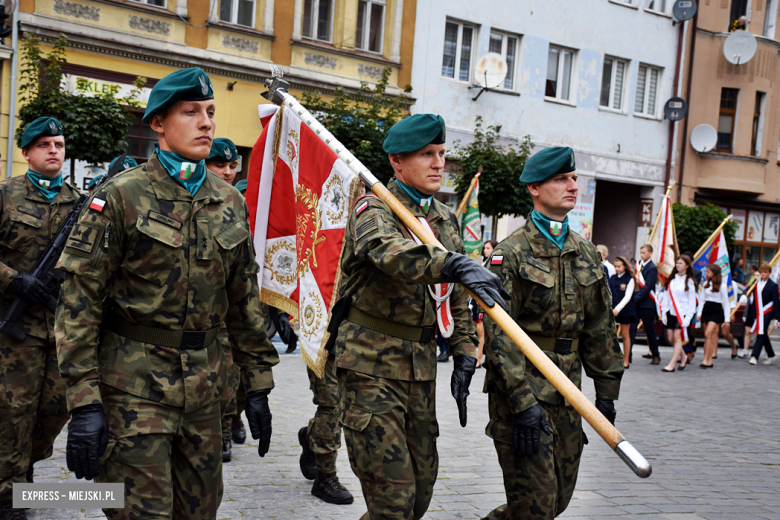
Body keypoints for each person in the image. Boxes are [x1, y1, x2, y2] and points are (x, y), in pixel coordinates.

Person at [54, 68, 280, 519]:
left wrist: (257, 382)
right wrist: (84, 402)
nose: (206, 123)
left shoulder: (229, 201)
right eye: (190, 112)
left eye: (210, 112)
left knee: (201, 511)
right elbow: (79, 303)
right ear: (158, 123)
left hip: (206, 393)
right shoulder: (120, 197)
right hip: (134, 392)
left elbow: (243, 301)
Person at [334, 113, 508, 520]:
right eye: (426, 154)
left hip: (420, 370)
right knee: (393, 501)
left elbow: (455, 297)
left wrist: (465, 351)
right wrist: (453, 264)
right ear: (397, 161)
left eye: (442, 154)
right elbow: (392, 254)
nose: (438, 163)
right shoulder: (374, 209)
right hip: (370, 368)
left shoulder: (444, 220)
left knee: (421, 494)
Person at [482, 146, 623, 520]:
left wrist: (606, 395)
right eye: (561, 179)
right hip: (523, 389)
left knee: (556, 500)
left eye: (574, 178)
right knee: (537, 505)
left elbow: (600, 328)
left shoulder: (587, 253)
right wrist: (521, 402)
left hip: (569, 392)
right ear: (534, 188)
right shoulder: (510, 254)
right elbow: (499, 335)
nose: (572, 186)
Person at [0, 117, 79, 519]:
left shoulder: (79, 202)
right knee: (13, 410)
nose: (53, 150)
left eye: (59, 144)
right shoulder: (6, 195)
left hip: (59, 329)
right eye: (44, 144)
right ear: (27, 152)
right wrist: (14, 281)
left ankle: (20, 469)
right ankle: (8, 490)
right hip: (13, 330)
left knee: (54, 408)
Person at [661, 255, 697, 372]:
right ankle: (684, 355)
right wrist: (664, 313)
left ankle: (671, 365)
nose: (678, 265)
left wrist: (689, 317)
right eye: (677, 263)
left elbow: (692, 302)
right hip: (672, 312)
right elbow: (666, 298)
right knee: (671, 338)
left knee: (677, 338)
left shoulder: (690, 281)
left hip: (683, 313)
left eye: (681, 263)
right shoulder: (672, 280)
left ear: (687, 266)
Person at [696, 264, 731, 368]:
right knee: (707, 336)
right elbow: (702, 300)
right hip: (707, 309)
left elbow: (726, 302)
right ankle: (708, 359)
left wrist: (727, 319)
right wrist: (699, 313)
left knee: (708, 334)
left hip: (716, 310)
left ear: (714, 273)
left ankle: (706, 359)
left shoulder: (722, 285)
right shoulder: (706, 284)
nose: (706, 273)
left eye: (708, 272)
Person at [631, 244, 661, 364]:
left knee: (649, 330)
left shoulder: (652, 268)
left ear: (650, 253)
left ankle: (656, 355)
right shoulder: (640, 266)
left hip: (647, 304)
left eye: (644, 252)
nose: (642, 255)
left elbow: (648, 287)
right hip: (637, 303)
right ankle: (628, 355)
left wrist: (635, 299)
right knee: (632, 328)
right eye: (641, 252)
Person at [748, 263, 780, 365]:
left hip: (768, 311)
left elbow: (776, 302)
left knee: (761, 332)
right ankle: (771, 355)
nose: (763, 274)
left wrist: (778, 319)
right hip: (758, 311)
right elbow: (748, 290)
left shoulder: (773, 285)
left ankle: (754, 356)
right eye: (762, 272)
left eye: (765, 272)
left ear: (769, 273)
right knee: (763, 333)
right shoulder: (756, 283)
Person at [610, 256, 637, 370]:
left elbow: (627, 296)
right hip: (612, 309)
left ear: (625, 266)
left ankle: (626, 359)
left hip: (625, 310)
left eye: (619, 266)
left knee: (625, 335)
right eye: (615, 266)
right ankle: (612, 359)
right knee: (611, 335)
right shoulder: (612, 278)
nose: (617, 269)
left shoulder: (630, 278)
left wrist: (618, 309)